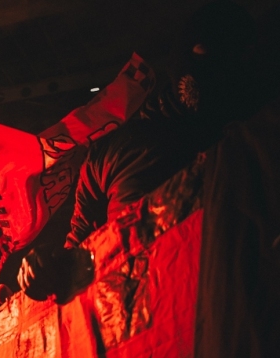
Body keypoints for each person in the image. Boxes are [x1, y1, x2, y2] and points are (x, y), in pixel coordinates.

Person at [19, 0, 258, 298]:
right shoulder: (113, 149)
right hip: (149, 312)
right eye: (203, 53)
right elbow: (76, 248)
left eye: (232, 60)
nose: (218, 69)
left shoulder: (257, 133)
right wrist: (42, 267)